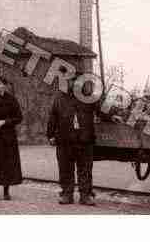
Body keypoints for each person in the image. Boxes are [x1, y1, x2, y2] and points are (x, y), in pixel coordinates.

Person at [47, 74, 102, 206]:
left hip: (84, 139)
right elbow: (53, 117)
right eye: (70, 80)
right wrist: (50, 135)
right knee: (65, 169)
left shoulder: (89, 97)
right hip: (64, 139)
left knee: (85, 169)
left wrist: (113, 116)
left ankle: (85, 196)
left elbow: (101, 111)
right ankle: (66, 194)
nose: (74, 83)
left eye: (76, 81)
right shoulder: (59, 98)